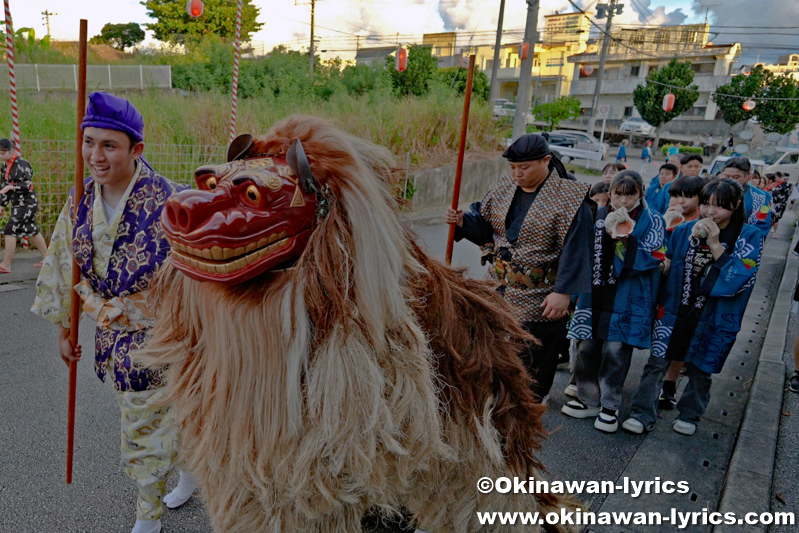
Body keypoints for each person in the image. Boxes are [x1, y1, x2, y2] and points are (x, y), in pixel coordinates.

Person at [30, 92, 194, 533]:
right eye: (89, 143)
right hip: (112, 332)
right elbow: (65, 262)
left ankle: (149, 514)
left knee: (145, 423)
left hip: (165, 336)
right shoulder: (81, 199)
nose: (95, 156)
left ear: (136, 150)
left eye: (109, 145)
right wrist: (64, 330)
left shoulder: (170, 201)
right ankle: (190, 467)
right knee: (159, 415)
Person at [445, 133, 594, 401]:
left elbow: (579, 248)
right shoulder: (503, 189)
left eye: (523, 167)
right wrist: (462, 222)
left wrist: (565, 292)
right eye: (512, 167)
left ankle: (527, 410)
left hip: (541, 296)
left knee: (532, 363)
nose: (517, 174)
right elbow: (486, 227)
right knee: (492, 352)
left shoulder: (569, 198)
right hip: (498, 289)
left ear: (546, 161)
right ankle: (493, 404)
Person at [622, 178, 762, 436]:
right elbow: (670, 261)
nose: (710, 212)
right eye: (706, 204)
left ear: (736, 205)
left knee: (700, 368)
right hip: (677, 307)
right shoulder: (686, 230)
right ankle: (642, 413)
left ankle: (690, 414)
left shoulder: (750, 236)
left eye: (720, 206)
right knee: (657, 362)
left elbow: (742, 277)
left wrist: (716, 244)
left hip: (714, 313)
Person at [562, 171, 665, 433]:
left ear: (641, 193)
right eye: (618, 193)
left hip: (628, 296)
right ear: (611, 193)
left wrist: (626, 241)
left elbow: (656, 254)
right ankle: (588, 399)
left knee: (616, 353)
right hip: (594, 293)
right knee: (587, 348)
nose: (623, 200)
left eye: (630, 194)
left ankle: (610, 406)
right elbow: (579, 248)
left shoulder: (653, 220)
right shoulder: (597, 215)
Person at [656, 175, 705, 409]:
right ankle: (654, 379)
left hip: (689, 291)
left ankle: (669, 383)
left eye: (687, 196)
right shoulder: (664, 219)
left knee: (680, 337)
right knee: (661, 335)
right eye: (675, 195)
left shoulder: (701, 225)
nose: (680, 200)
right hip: (664, 288)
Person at [0, 138, 49, 273]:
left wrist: (11, 187)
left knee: (10, 229)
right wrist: (2, 204)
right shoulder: (4, 165)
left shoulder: (22, 164)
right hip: (17, 202)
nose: (1, 156)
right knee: (31, 229)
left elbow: (27, 184)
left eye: (3, 153)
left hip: (27, 202)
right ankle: (48, 259)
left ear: (11, 150)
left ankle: (6, 264)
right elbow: (4, 186)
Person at [719, 157, 772, 239]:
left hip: (743, 241)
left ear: (748, 177)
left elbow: (762, 224)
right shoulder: (712, 190)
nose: (730, 180)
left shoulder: (760, 197)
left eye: (736, 177)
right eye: (726, 176)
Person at [765, 172, 791, 237]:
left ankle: (775, 231)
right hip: (768, 205)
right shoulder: (770, 186)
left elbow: (785, 196)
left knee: (775, 218)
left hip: (778, 204)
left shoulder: (784, 185)